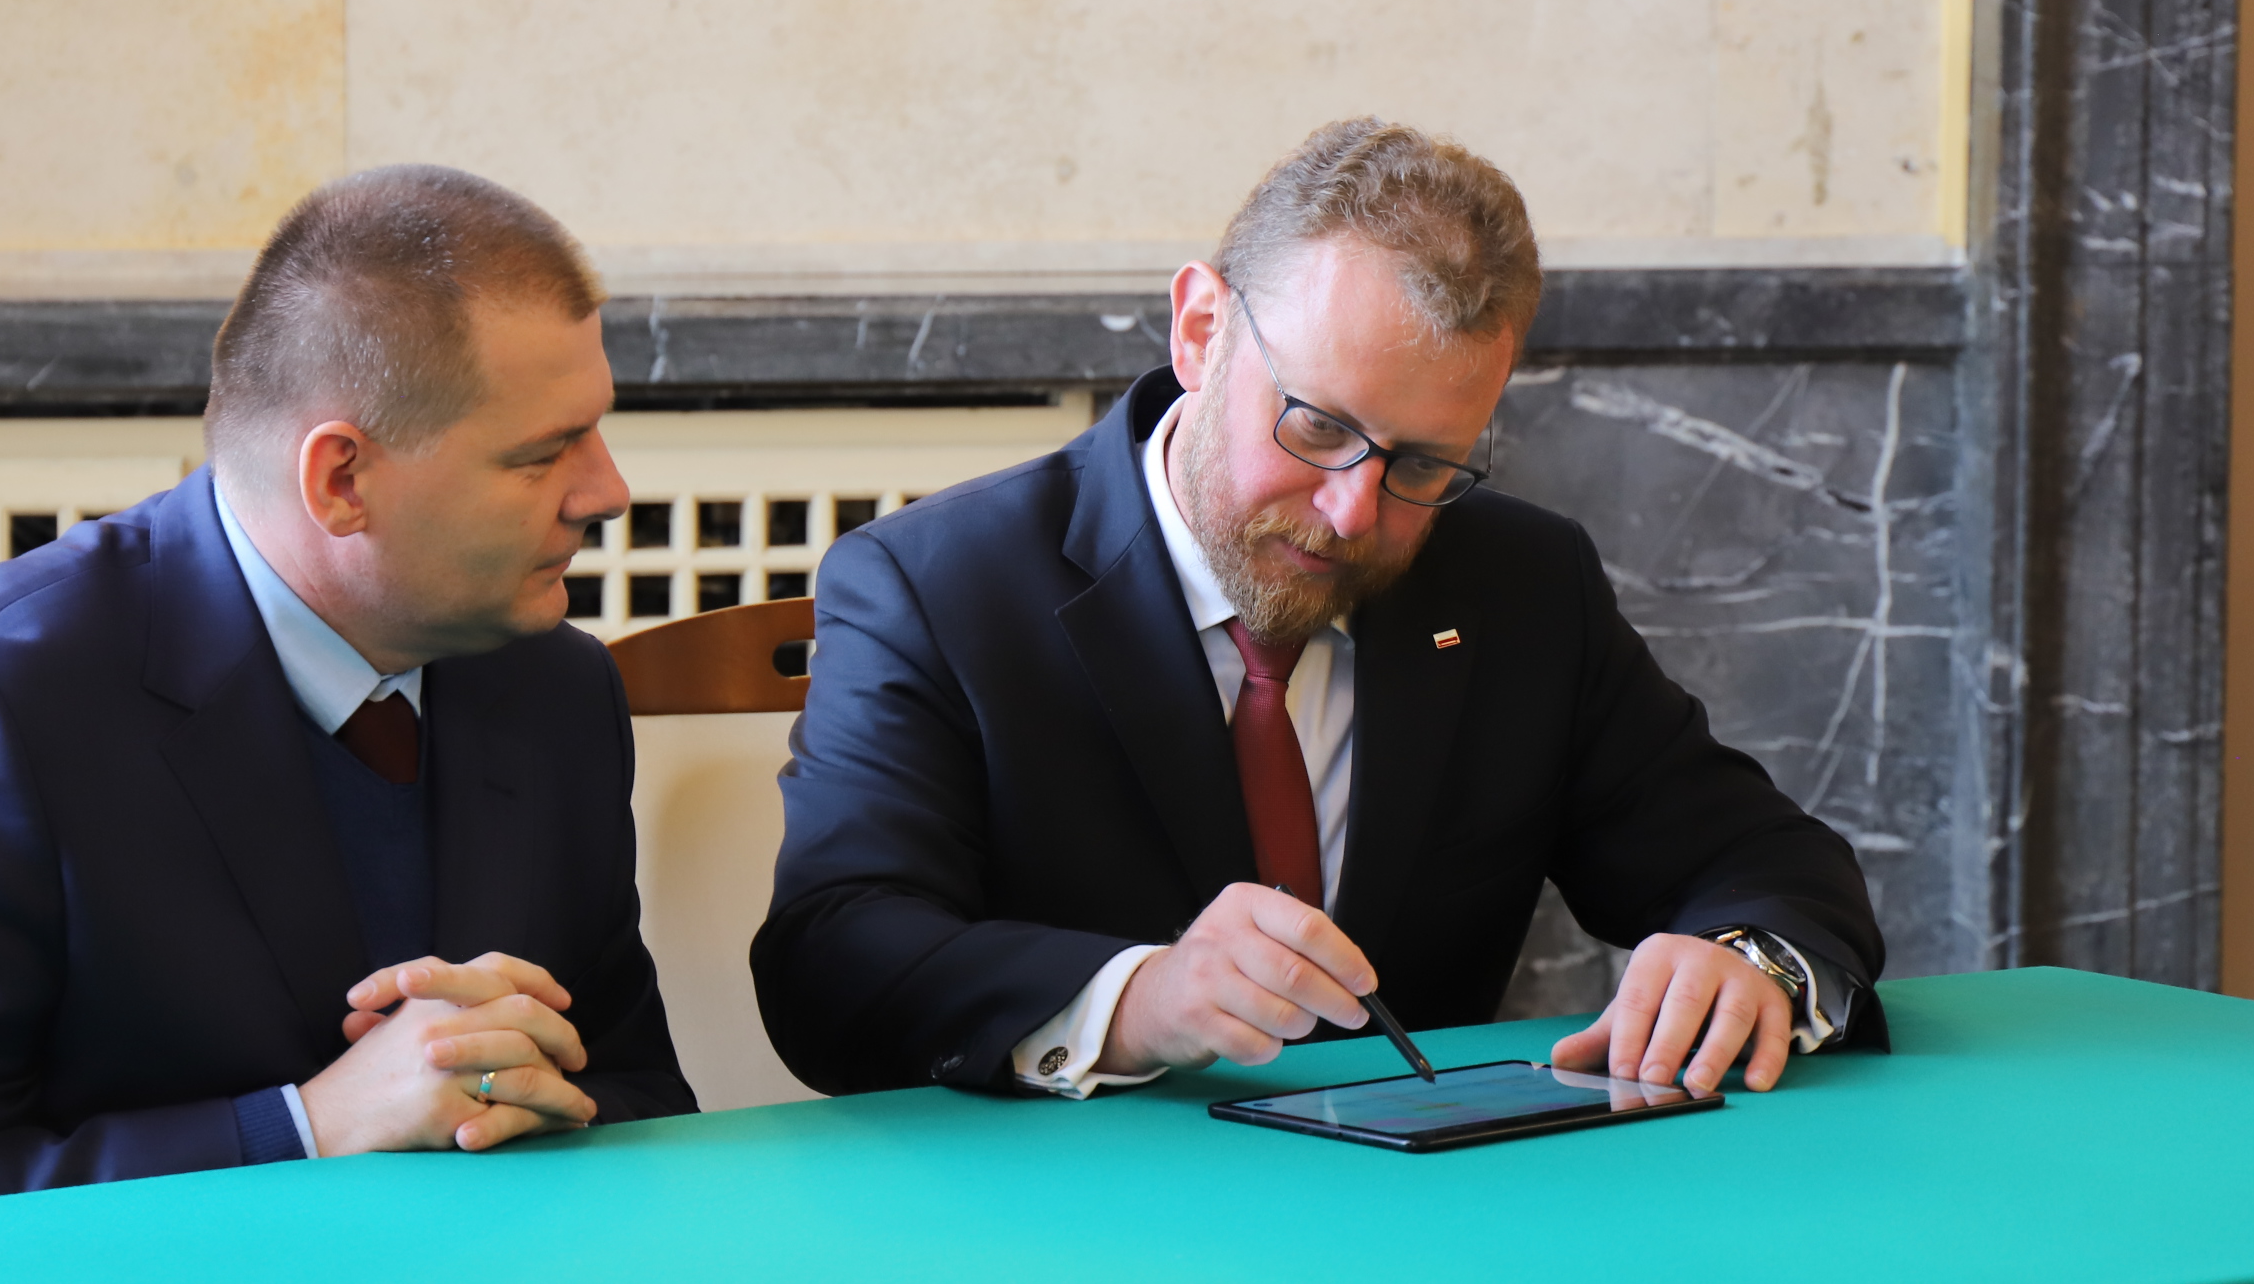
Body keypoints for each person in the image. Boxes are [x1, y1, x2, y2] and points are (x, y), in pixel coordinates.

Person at [753, 121, 1885, 1106]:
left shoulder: (1520, 584)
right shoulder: (937, 586)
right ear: (1200, 332)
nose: (1353, 513)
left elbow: (1768, 860)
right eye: (1317, 426)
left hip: (1421, 1215)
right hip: (1066, 1224)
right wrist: (1139, 999)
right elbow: (835, 956)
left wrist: (1751, 964)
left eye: (1424, 465)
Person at [0, 167, 694, 1218]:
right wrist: (306, 1129)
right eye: (542, 454)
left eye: (595, 429)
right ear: (341, 480)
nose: (607, 491)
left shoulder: (557, 687)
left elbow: (639, 1098)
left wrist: (524, 1098)